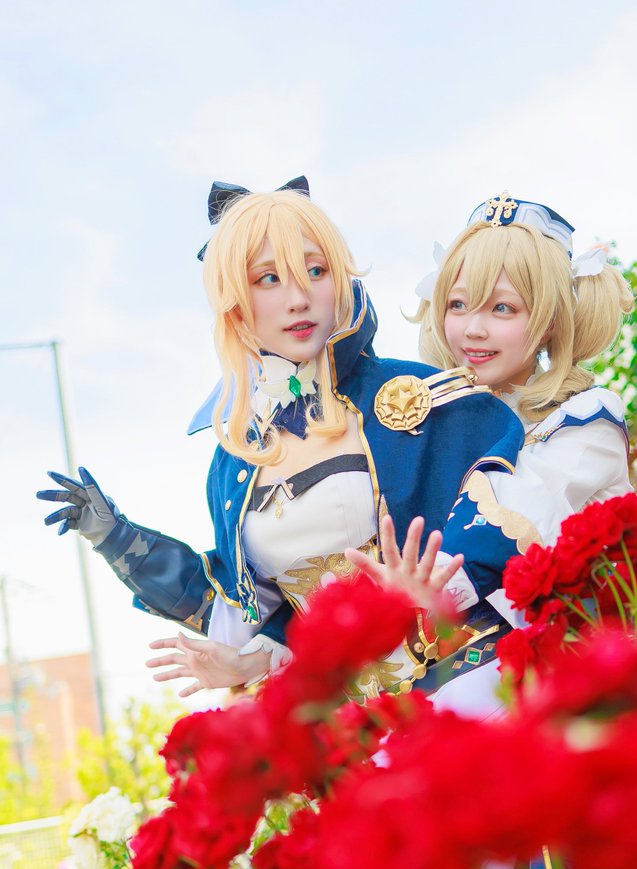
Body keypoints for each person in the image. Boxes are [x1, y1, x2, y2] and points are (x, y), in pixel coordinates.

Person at [363, 192, 637, 773]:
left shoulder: (585, 417)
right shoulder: (437, 427)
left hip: (608, 673)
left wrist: (416, 596)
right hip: (492, 672)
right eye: (458, 305)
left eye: (503, 309)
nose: (473, 329)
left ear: (547, 321)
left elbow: (503, 532)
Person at [38, 183, 525, 697]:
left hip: (465, 678)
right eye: (268, 279)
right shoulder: (236, 460)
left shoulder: (415, 395)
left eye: (316, 271)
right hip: (346, 711)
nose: (299, 300)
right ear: (235, 302)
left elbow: (513, 508)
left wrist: (440, 584)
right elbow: (249, 607)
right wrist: (118, 541)